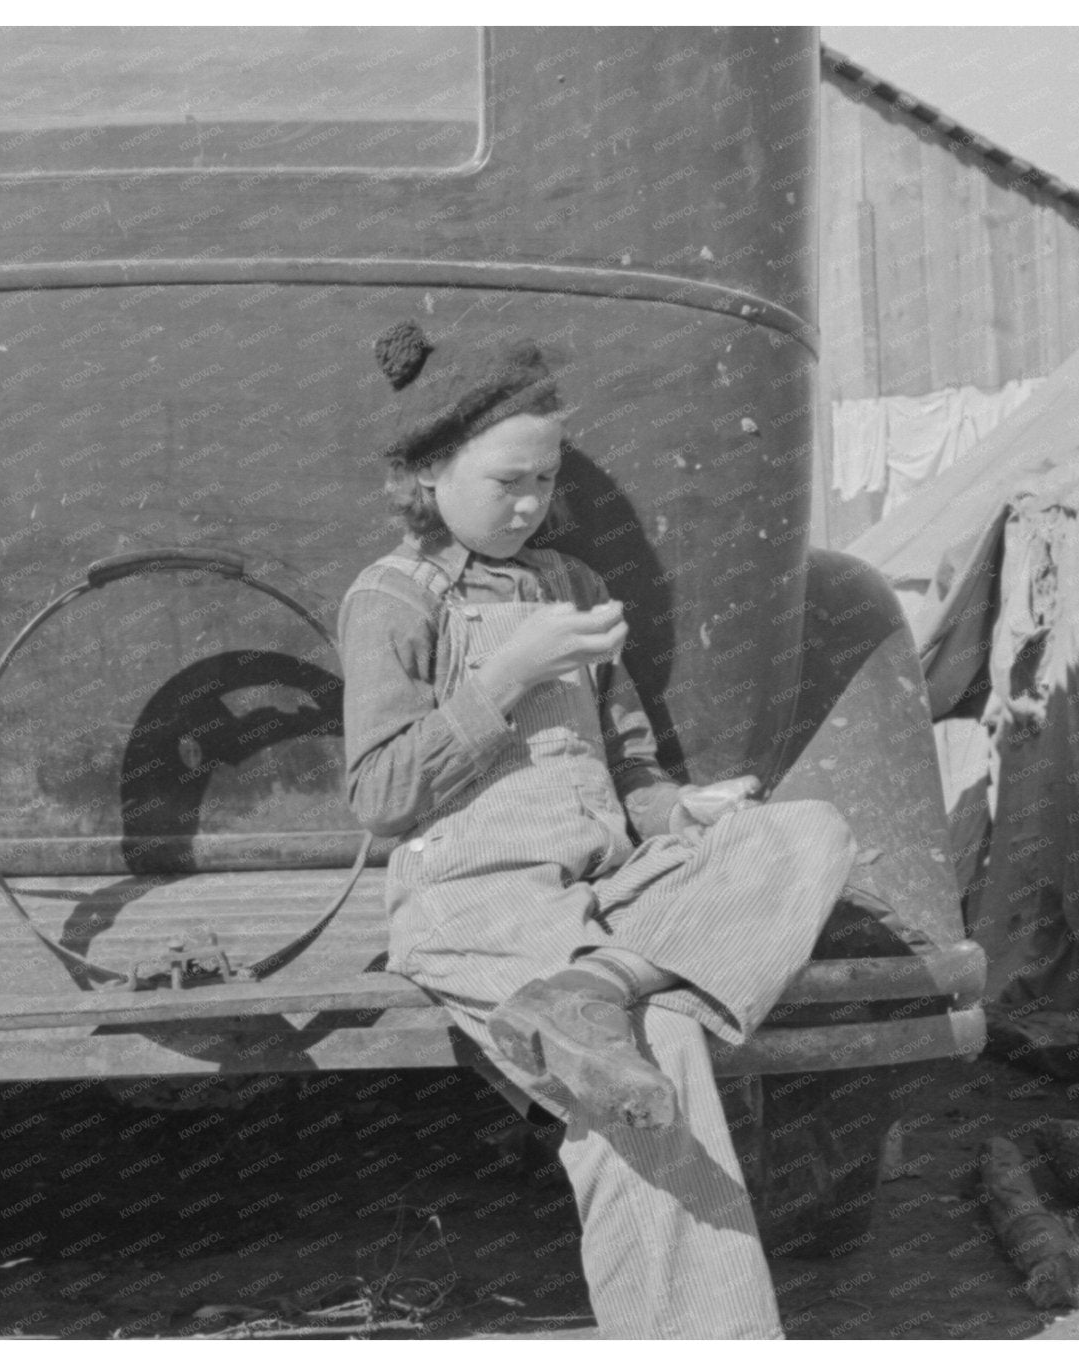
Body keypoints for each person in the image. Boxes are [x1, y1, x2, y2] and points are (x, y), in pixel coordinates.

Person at [338, 321, 857, 1338]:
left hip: (600, 894)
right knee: (655, 1052)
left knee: (808, 833)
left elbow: (627, 766)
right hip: (474, 899)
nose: (529, 503)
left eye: (544, 479)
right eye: (506, 481)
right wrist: (502, 675)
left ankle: (592, 990)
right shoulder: (391, 597)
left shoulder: (567, 583)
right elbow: (379, 794)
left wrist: (684, 814)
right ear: (431, 468)